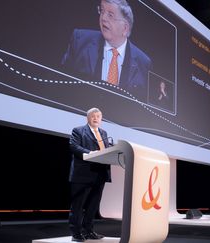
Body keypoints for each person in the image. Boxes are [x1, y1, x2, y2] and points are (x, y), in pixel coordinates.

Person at [61, 0, 152, 102]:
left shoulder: (143, 62)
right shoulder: (80, 40)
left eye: (110, 15)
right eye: (102, 11)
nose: (103, 18)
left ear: (125, 28)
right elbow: (62, 84)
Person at [68, 108, 112, 242]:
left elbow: (106, 150)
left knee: (93, 205)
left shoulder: (104, 133)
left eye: (98, 116)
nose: (96, 118)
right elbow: (74, 146)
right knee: (78, 205)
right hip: (83, 174)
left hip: (100, 174)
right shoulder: (78, 130)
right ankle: (76, 233)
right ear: (88, 118)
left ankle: (88, 231)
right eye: (93, 116)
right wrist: (91, 154)